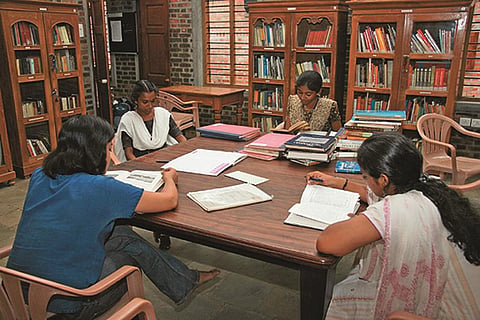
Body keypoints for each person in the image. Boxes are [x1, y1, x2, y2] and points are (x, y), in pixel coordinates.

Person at [6, 115, 219, 319]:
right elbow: (169, 200)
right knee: (128, 262)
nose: (110, 154)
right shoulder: (101, 188)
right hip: (67, 306)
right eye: (109, 148)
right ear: (95, 152)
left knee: (120, 234)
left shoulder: (39, 176)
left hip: (16, 294)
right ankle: (153, 301)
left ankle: (186, 280)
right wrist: (169, 178)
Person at [306, 132, 480, 319]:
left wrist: (358, 221)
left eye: (365, 177)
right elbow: (371, 193)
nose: (365, 182)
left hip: (450, 312)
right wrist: (339, 182)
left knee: (345, 292)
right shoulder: (429, 185)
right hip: (467, 295)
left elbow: (327, 243)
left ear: (383, 180)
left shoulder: (398, 208)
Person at [114, 79, 187, 163]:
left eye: (152, 101)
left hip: (164, 160)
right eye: (145, 102)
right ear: (135, 101)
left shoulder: (163, 115)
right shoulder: (129, 120)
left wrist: (186, 150)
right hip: (140, 162)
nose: (150, 106)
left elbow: (179, 137)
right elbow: (129, 154)